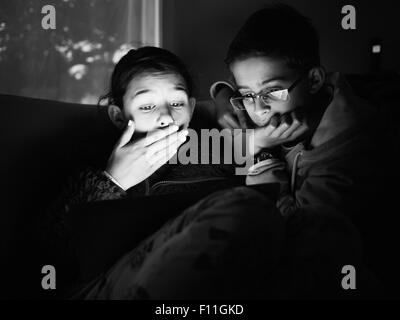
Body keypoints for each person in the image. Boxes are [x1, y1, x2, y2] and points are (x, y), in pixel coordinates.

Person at [40, 46, 284, 299]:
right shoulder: (90, 169)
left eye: (177, 103)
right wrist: (113, 180)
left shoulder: (217, 148)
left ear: (190, 108)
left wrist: (224, 100)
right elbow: (53, 254)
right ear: (119, 116)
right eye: (147, 106)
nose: (166, 117)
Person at [209, 4, 382, 297]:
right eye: (247, 95)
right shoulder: (280, 108)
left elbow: (300, 240)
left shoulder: (348, 150)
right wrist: (223, 95)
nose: (259, 110)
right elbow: (241, 97)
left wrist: (261, 160)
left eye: (272, 91)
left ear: (314, 80)